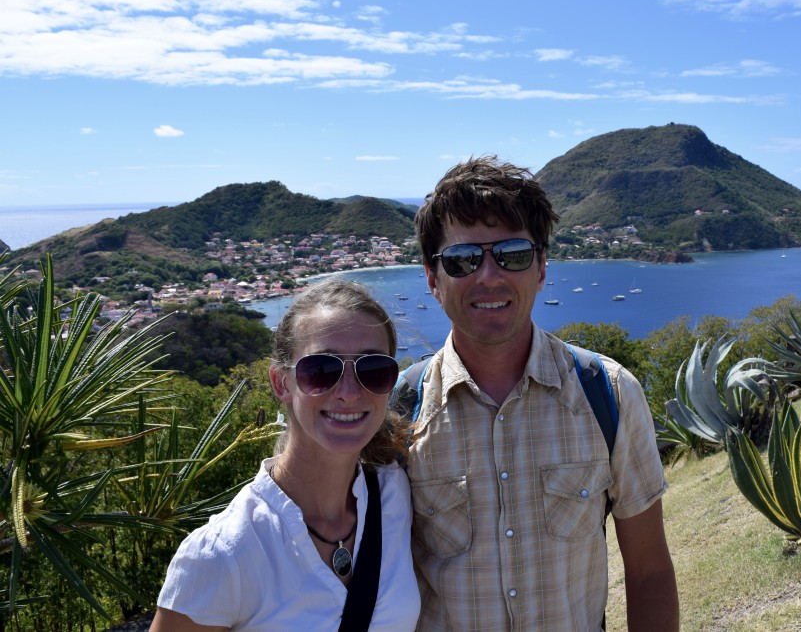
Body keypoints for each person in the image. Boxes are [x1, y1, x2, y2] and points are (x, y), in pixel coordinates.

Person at [403, 156, 679, 630]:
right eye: (463, 260)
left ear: (541, 268)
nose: (489, 276)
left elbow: (649, 569)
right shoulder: (398, 411)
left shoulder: (608, 394)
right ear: (433, 278)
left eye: (512, 254)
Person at [151, 278, 420, 631]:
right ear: (281, 383)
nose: (350, 393)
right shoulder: (224, 554)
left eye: (373, 370)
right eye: (322, 370)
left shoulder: (396, 495)